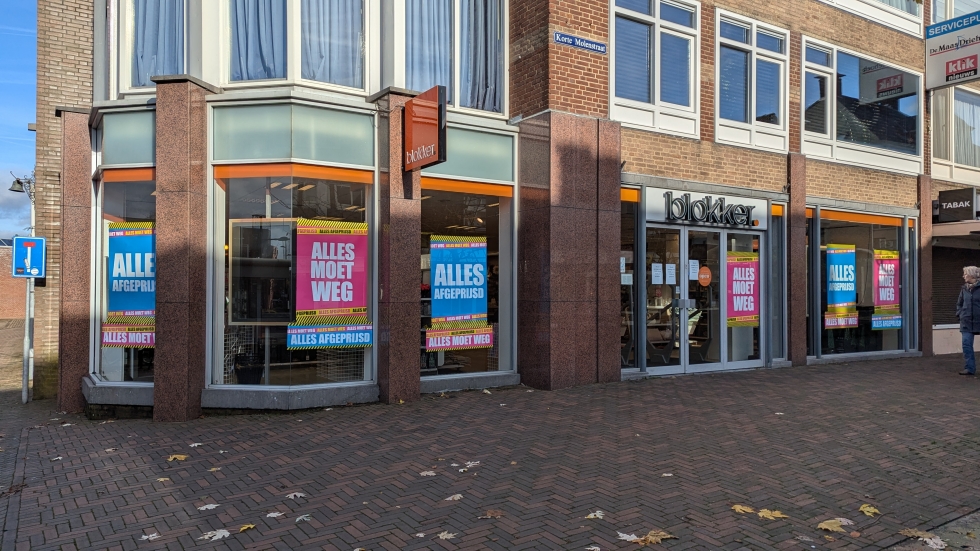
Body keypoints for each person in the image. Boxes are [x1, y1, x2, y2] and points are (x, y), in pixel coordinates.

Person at [956, 266, 980, 375]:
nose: (963, 276)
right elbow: (959, 303)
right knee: (966, 345)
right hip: (966, 322)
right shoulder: (964, 289)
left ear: (972, 275)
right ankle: (969, 368)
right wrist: (960, 314)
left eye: (965, 274)